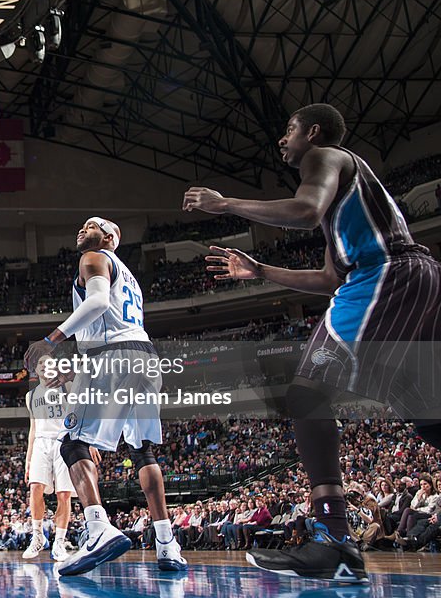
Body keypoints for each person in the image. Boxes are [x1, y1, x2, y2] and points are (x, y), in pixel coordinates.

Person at [185, 103, 441, 583]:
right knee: (427, 413)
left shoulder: (325, 156)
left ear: (314, 132)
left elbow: (304, 211)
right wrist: (260, 272)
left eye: (289, 130)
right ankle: (335, 543)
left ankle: (334, 541)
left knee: (307, 392)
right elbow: (328, 278)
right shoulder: (348, 197)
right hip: (416, 280)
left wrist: (226, 205)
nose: (283, 140)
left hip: (384, 277)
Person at [23, 218, 188, 576]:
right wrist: (81, 367)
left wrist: (50, 340)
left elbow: (96, 303)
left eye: (93, 225)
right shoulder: (131, 279)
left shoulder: (94, 258)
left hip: (114, 358)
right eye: (81, 226)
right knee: (142, 450)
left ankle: (98, 529)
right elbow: (112, 325)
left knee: (72, 443)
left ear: (110, 238)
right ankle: (166, 543)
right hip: (144, 357)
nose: (83, 228)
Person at [22, 376, 75, 561]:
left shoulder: (67, 387)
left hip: (63, 441)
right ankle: (38, 535)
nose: (45, 367)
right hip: (41, 443)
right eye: (41, 364)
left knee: (64, 494)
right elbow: (33, 428)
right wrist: (28, 459)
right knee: (35, 487)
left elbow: (79, 414)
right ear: (37, 370)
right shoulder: (32, 395)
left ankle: (59, 542)